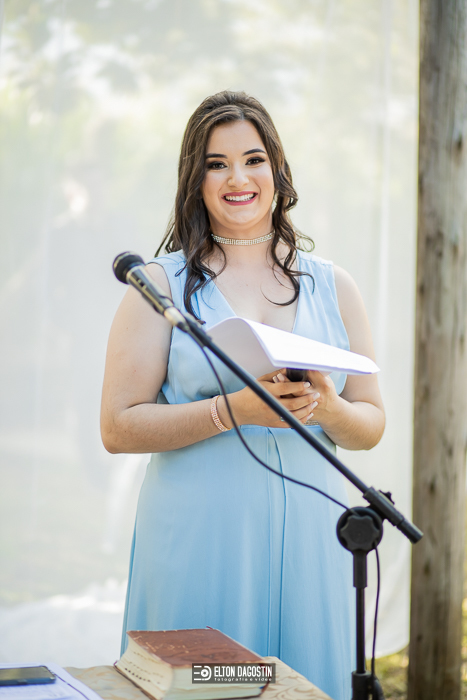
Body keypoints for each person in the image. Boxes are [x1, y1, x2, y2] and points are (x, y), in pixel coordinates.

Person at [100, 90, 385, 700]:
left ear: (277, 168)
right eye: (216, 164)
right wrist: (234, 411)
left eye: (253, 160)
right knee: (207, 686)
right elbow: (117, 427)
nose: (238, 179)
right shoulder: (157, 285)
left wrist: (328, 408)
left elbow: (371, 422)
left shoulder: (334, 285)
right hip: (201, 534)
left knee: (306, 685)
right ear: (195, 179)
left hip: (312, 535)